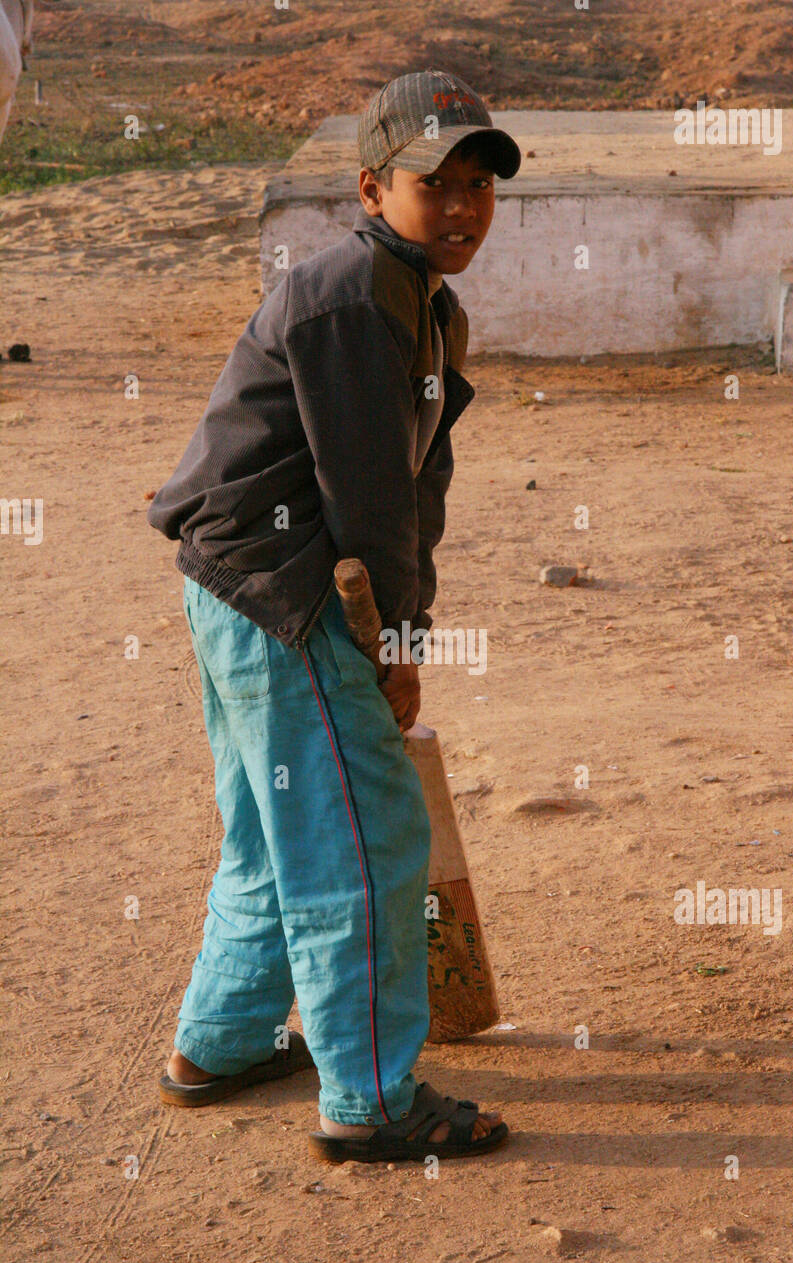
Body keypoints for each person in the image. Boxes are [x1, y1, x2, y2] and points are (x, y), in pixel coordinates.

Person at [146, 69, 521, 1163]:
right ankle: (365, 1099)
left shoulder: (410, 299)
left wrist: (408, 624)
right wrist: (393, 645)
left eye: (477, 185)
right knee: (364, 838)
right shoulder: (359, 299)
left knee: (278, 828)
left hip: (240, 583)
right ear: (370, 187)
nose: (459, 207)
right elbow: (367, 504)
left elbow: (412, 489)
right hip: (286, 589)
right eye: (431, 183)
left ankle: (218, 1045)